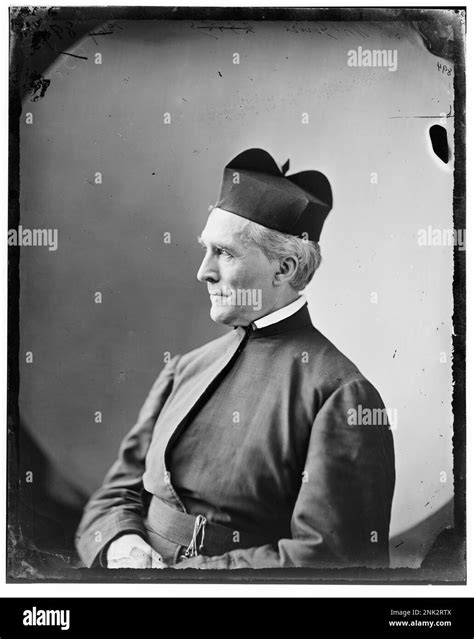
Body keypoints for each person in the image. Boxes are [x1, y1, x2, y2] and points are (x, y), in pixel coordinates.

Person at [75, 148, 395, 570]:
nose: (203, 271)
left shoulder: (340, 395)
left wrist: (180, 581)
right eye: (205, 249)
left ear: (284, 268)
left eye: (224, 253)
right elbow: (115, 495)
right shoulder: (184, 368)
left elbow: (331, 560)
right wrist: (121, 546)